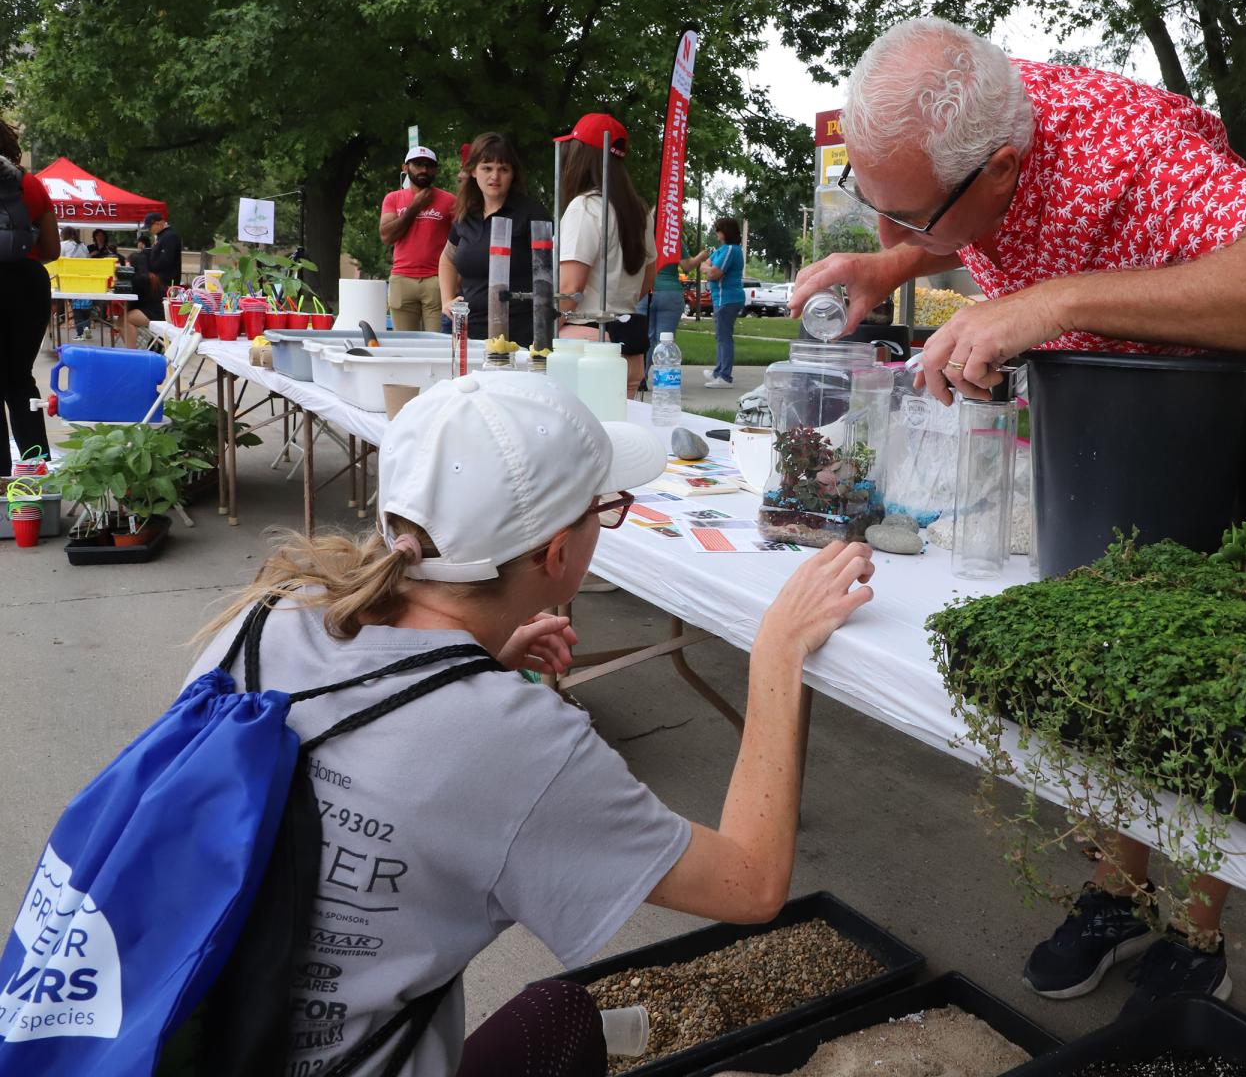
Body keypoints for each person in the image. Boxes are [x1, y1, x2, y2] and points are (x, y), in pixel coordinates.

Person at [791, 17, 1246, 1015]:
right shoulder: (965, 132)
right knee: (1100, 661)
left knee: (1199, 683)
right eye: (870, 203)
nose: (890, 234)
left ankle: (1198, 928)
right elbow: (943, 235)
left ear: (1003, 170)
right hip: (1119, 422)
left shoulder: (1133, 152)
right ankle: (1116, 888)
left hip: (1232, 429)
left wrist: (1058, 302)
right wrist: (892, 268)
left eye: (908, 220)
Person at [183, 371, 876, 1075]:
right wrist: (775, 657)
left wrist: (470, 663)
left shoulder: (271, 614)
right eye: (603, 511)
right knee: (564, 1017)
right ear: (556, 553)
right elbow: (751, 885)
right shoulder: (514, 740)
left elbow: (369, 728)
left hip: (180, 1035)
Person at [555, 113, 656, 394]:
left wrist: (541, 334)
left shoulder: (585, 207)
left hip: (585, 346)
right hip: (628, 347)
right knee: (619, 435)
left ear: (579, 155)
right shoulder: (638, 212)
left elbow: (568, 288)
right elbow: (648, 279)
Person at [439, 132, 552, 345]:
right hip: (468, 334)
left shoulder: (532, 214)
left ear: (513, 174)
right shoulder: (464, 215)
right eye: (487, 168)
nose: (495, 177)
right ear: (472, 170)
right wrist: (446, 300)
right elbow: (447, 258)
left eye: (503, 169)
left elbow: (552, 273)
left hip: (518, 337)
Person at [0, 119, 57, 464]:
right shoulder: (30, 185)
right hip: (26, 285)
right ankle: (38, 469)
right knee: (20, 380)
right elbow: (52, 249)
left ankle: (0, 484)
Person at [380, 145, 455, 331]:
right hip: (401, 277)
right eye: (418, 164)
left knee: (438, 345)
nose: (423, 170)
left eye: (429, 165)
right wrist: (415, 207)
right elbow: (387, 236)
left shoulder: (450, 200)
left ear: (436, 170)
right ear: (405, 168)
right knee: (405, 345)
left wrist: (456, 279)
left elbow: (460, 242)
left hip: (436, 280)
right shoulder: (393, 198)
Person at [699, 217, 745, 388]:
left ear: (724, 232)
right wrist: (707, 268)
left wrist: (708, 269)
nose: (716, 233)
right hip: (722, 299)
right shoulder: (722, 250)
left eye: (718, 230)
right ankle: (718, 371)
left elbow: (714, 273)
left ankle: (725, 377)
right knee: (721, 336)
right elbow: (706, 265)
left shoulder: (731, 250)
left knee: (724, 337)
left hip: (728, 299)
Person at [142, 210, 183, 296]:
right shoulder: (161, 236)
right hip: (160, 281)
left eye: (150, 227)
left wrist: (149, 267)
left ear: (159, 223)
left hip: (167, 282)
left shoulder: (169, 236)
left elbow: (166, 260)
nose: (149, 230)